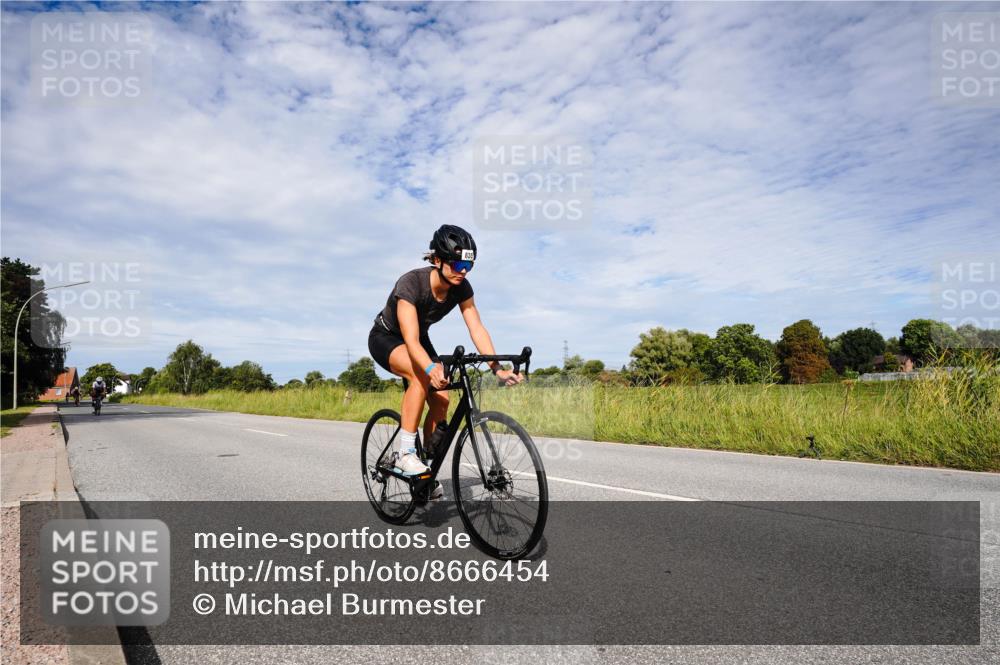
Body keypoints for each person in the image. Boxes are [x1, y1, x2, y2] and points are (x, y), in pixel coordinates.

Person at [368, 225, 523, 498]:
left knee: (441, 400)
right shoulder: (411, 283)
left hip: (418, 338)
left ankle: (424, 470)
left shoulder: (461, 287)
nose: (462, 271)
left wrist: (496, 368)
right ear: (437, 260)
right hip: (388, 338)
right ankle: (405, 451)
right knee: (422, 376)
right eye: (457, 263)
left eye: (468, 265)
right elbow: (410, 340)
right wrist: (429, 368)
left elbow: (476, 327)